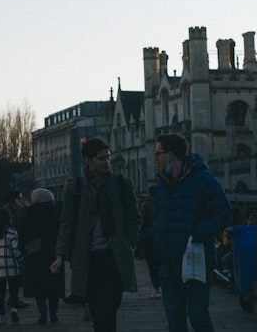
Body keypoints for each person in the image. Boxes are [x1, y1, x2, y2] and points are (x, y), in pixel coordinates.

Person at [52, 137, 139, 332]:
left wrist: (129, 243)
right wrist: (60, 255)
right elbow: (67, 224)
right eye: (100, 158)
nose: (106, 162)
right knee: (98, 312)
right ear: (87, 160)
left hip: (114, 258)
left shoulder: (121, 185)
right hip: (88, 260)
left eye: (107, 157)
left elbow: (134, 218)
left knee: (111, 308)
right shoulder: (76, 189)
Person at [153, 133, 231, 332]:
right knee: (175, 322)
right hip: (168, 264)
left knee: (198, 317)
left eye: (158, 154)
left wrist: (196, 233)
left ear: (170, 155)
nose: (155, 159)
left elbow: (223, 212)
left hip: (196, 261)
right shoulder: (162, 183)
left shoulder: (202, 178)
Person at [19, 188, 63, 324]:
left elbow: (23, 234)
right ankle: (54, 313)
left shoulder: (30, 214)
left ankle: (43, 313)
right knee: (53, 286)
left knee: (39, 287)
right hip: (53, 253)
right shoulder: (55, 213)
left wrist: (23, 250)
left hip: (35, 254)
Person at [0, 207, 23, 325]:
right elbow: (15, 250)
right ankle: (13, 308)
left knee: (1, 292)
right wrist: (21, 260)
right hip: (11, 266)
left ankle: (1, 316)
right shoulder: (11, 233)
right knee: (13, 290)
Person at [139, 185, 162, 298]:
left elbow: (141, 220)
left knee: (152, 264)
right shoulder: (163, 203)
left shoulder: (145, 204)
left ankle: (156, 289)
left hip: (149, 236)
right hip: (162, 235)